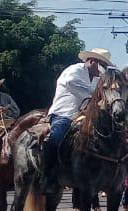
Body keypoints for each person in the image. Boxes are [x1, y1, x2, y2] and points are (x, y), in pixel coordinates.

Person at [41, 48, 113, 194]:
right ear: (92, 61)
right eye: (102, 65)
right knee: (56, 138)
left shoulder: (98, 79)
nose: (103, 70)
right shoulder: (74, 70)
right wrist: (96, 94)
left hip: (86, 116)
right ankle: (47, 176)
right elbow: (71, 83)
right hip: (64, 114)